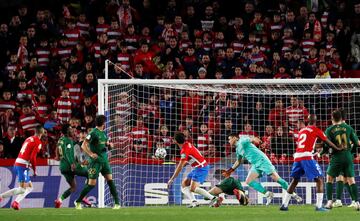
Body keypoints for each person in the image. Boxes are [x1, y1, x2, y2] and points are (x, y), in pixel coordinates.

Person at [280, 115, 340, 211]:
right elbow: (327, 142)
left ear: (307, 121)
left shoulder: (302, 131)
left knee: (294, 180)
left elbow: (309, 142)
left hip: (297, 157)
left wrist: (318, 145)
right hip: (306, 157)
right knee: (320, 179)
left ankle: (284, 205)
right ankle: (319, 206)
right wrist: (337, 148)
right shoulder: (316, 130)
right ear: (316, 121)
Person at [223, 134, 302, 205]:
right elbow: (238, 161)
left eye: (229, 139)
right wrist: (230, 171)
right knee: (249, 181)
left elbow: (253, 138)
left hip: (262, 160)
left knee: (277, 179)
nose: (229, 141)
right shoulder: (238, 150)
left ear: (234, 138)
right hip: (255, 164)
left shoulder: (242, 140)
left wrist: (259, 142)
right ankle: (268, 194)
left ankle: (294, 195)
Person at [74, 115, 120, 209]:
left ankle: (117, 203)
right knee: (91, 185)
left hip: (104, 161)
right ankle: (78, 201)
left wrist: (110, 145)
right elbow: (83, 145)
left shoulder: (103, 133)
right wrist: (90, 154)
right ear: (104, 123)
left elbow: (107, 144)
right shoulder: (93, 132)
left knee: (110, 181)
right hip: (95, 162)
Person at [167, 132, 222, 208]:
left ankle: (214, 198)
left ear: (175, 141)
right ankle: (194, 202)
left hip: (201, 167)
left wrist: (172, 179)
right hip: (198, 167)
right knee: (184, 184)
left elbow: (180, 167)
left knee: (193, 188)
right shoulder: (187, 144)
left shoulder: (184, 150)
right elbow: (192, 156)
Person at [0, 126, 46, 210]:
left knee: (30, 187)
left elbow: (25, 153)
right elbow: (32, 158)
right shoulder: (38, 142)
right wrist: (35, 170)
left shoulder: (28, 138)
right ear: (41, 133)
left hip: (18, 162)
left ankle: (15, 203)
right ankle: (1, 196)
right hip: (22, 166)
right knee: (22, 189)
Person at [323, 110, 360, 210]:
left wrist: (322, 153)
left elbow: (327, 145)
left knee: (329, 178)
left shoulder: (329, 129)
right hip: (348, 156)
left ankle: (330, 202)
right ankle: (357, 203)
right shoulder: (348, 127)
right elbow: (357, 143)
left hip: (337, 157)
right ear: (341, 118)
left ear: (332, 118)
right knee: (351, 180)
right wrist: (349, 151)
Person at [54, 124, 90, 208]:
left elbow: (57, 148)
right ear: (67, 131)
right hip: (69, 165)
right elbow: (67, 152)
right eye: (70, 129)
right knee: (91, 174)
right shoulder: (68, 140)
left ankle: (59, 200)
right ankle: (83, 197)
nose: (72, 131)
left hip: (62, 167)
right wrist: (72, 164)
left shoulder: (60, 140)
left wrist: (57, 156)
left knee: (73, 187)